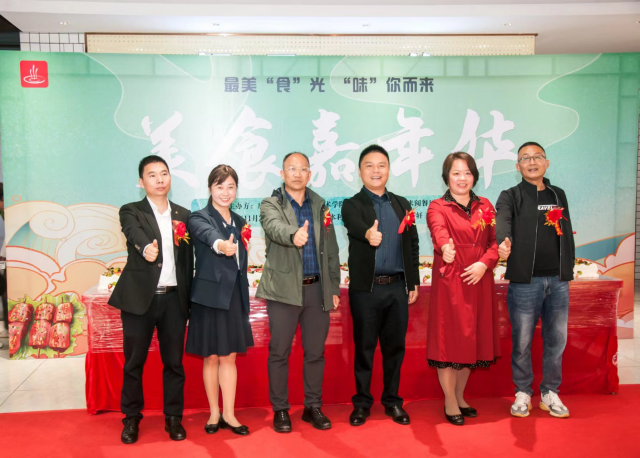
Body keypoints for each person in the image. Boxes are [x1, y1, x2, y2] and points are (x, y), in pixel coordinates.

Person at [108, 155, 194, 444]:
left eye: (164, 173)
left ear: (170, 178)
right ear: (141, 181)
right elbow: (132, 232)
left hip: (174, 301)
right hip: (139, 300)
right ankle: (131, 417)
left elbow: (187, 262)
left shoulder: (184, 215)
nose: (159, 179)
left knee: (174, 363)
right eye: (152, 175)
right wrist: (146, 248)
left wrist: (189, 302)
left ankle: (173, 417)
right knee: (134, 362)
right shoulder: (131, 210)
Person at [256, 152, 341, 433]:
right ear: (282, 174)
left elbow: (331, 249)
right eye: (291, 169)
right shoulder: (271, 204)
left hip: (317, 290)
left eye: (302, 169)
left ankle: (312, 406)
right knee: (279, 352)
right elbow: (274, 227)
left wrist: (333, 286)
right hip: (283, 291)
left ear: (309, 174)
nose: (297, 173)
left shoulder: (320, 205)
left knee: (315, 352)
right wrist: (293, 234)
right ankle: (280, 409)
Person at [341, 144, 420, 427]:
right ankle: (362, 403)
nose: (376, 171)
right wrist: (367, 234)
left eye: (381, 165)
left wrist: (413, 281)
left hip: (397, 287)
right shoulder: (352, 204)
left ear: (388, 169)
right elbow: (353, 224)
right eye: (369, 165)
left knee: (394, 349)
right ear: (360, 171)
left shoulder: (402, 204)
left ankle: (393, 402)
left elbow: (412, 244)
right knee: (364, 349)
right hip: (367, 289)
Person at [496, 141, 575, 419]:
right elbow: (503, 222)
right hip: (525, 282)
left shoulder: (557, 194)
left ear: (546, 163)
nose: (532, 162)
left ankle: (550, 392)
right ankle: (522, 392)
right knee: (522, 342)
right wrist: (503, 241)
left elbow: (565, 231)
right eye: (525, 158)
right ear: (518, 167)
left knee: (556, 340)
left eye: (537, 157)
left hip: (558, 281)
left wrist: (567, 268)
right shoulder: (510, 195)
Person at [426, 152, 500, 426]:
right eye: (456, 173)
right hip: (452, 280)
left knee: (472, 339)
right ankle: (449, 400)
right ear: (446, 176)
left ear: (474, 176)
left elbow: (495, 242)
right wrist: (444, 248)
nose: (462, 178)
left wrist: (484, 263)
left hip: (479, 279)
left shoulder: (486, 205)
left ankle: (459, 396)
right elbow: (438, 231)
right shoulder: (437, 206)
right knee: (449, 342)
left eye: (467, 173)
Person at [186, 164, 253, 436]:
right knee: (211, 356)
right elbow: (207, 235)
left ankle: (229, 414)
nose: (225, 192)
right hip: (209, 297)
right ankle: (214, 412)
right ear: (210, 188)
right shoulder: (198, 217)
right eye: (219, 186)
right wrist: (221, 245)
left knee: (230, 356)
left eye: (230, 187)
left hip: (234, 296)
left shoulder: (240, 220)